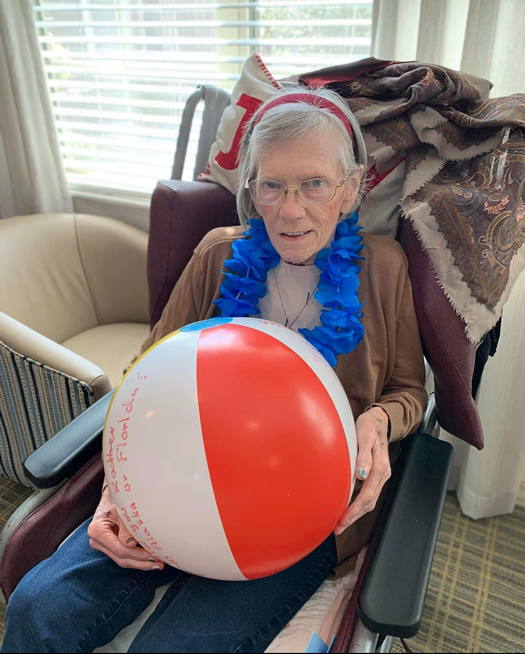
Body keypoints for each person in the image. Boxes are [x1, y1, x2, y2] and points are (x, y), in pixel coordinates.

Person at [1, 87, 427, 653]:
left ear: (351, 189)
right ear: (251, 191)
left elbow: (408, 392)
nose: (290, 208)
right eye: (271, 185)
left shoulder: (385, 270)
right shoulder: (217, 255)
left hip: (300, 503)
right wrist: (115, 490)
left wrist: (376, 420)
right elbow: (144, 371)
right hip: (179, 470)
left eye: (314, 184)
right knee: (38, 610)